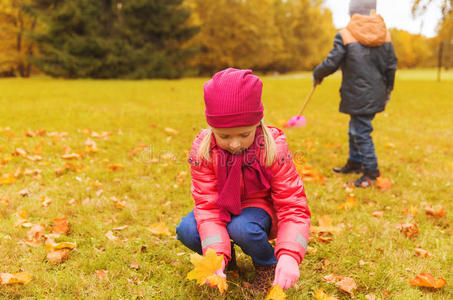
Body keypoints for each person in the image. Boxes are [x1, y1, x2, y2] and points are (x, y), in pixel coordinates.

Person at [176, 68, 311, 294]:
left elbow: (293, 206)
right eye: (225, 136)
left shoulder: (273, 148)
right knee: (187, 229)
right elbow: (207, 207)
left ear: (258, 124)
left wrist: (290, 255)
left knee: (242, 227)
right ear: (212, 128)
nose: (236, 144)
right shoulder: (204, 151)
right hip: (221, 207)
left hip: (258, 210)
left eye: (244, 134)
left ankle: (268, 265)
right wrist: (215, 255)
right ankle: (227, 262)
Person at [313, 0, 397, 187]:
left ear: (352, 13)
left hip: (358, 93)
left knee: (361, 132)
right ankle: (355, 162)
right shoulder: (385, 35)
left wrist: (318, 73)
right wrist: (388, 89)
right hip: (376, 92)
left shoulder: (346, 34)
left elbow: (332, 62)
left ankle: (370, 173)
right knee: (356, 128)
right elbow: (391, 65)